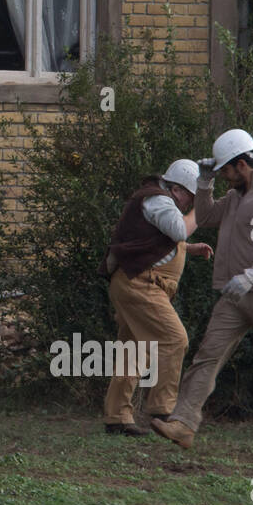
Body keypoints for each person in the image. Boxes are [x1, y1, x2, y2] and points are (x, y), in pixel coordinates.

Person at [151, 129, 253, 451]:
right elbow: (207, 215)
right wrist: (204, 184)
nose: (223, 176)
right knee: (207, 356)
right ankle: (182, 424)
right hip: (235, 295)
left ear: (241, 164)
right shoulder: (237, 196)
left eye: (224, 170)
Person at [101, 159, 213, 436]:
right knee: (175, 340)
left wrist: (188, 248)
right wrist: (202, 208)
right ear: (176, 189)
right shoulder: (158, 201)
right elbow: (177, 229)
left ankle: (117, 417)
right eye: (190, 196)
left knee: (133, 350)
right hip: (140, 283)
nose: (189, 204)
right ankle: (163, 410)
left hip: (133, 282)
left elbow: (157, 238)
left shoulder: (158, 200)